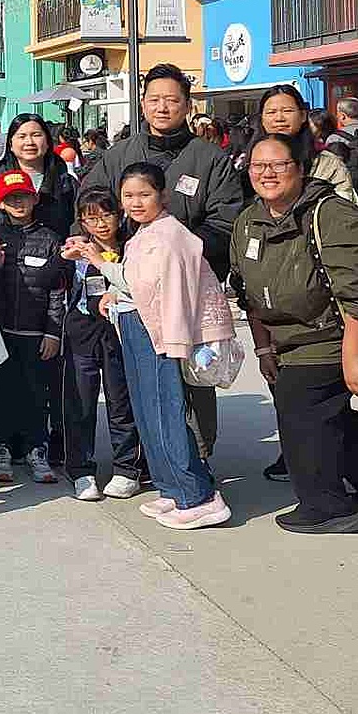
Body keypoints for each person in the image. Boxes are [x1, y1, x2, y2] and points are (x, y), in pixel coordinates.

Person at [231, 134, 358, 533]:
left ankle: (329, 508)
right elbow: (247, 292)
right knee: (330, 415)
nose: (267, 173)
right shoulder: (249, 222)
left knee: (300, 405)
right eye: (258, 166)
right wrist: (263, 349)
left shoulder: (332, 215)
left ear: (300, 168)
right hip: (292, 338)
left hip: (339, 335)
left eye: (278, 165)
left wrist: (352, 360)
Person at [80, 65, 241, 459]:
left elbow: (226, 220)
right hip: (129, 290)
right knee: (138, 379)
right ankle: (144, 460)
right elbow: (90, 206)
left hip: (186, 290)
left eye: (171, 100)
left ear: (187, 105)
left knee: (189, 376)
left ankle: (198, 459)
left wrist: (175, 252)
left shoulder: (209, 158)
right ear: (142, 104)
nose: (162, 107)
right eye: (154, 99)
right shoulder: (119, 155)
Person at [87, 162, 230, 529]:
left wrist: (96, 260)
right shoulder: (146, 232)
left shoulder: (170, 235)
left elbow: (155, 288)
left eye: (144, 194)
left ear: (162, 195)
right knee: (147, 412)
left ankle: (197, 496)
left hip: (159, 332)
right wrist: (115, 292)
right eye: (128, 195)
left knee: (165, 414)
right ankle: (172, 487)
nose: (135, 203)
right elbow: (136, 281)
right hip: (140, 326)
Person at [0, 168, 69, 486]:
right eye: (11, 198)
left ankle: (36, 449)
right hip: (0, 333)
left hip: (36, 334)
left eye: (23, 197)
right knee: (0, 393)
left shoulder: (50, 239)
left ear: (35, 199)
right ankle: (1, 449)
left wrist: (52, 332)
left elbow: (58, 290)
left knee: (36, 394)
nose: (18, 203)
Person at [59, 186, 145, 502]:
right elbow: (52, 282)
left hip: (119, 335)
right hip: (81, 333)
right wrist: (63, 260)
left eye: (106, 215)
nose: (101, 224)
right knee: (80, 404)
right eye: (91, 218)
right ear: (82, 221)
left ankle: (127, 469)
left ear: (119, 215)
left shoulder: (133, 247)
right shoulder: (76, 249)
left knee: (121, 403)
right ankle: (81, 470)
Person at [0, 112, 76, 237]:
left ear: (47, 142)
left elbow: (80, 220)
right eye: (22, 136)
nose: (29, 142)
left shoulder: (65, 182)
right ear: (10, 144)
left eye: (36, 135)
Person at [257, 86, 357, 206]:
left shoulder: (328, 164)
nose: (279, 118)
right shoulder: (248, 166)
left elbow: (345, 209)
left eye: (287, 111)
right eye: (271, 112)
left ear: (303, 116)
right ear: (262, 119)